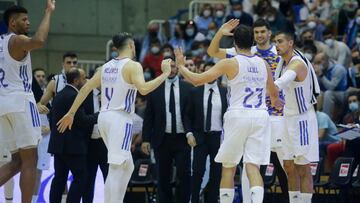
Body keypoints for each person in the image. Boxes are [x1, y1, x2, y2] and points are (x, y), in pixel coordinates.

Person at [56, 32, 172, 203]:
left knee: (128, 165)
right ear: (132, 45)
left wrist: (71, 112)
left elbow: (86, 88)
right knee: (117, 167)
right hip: (120, 118)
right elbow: (144, 89)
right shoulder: (133, 66)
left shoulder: (105, 67)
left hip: (104, 118)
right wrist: (165, 74)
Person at [174, 24, 281, 203]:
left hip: (238, 115)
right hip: (260, 115)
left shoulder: (230, 62)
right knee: (253, 166)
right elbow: (274, 93)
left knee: (229, 166)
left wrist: (181, 67)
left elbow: (197, 80)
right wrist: (276, 101)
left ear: (235, 43)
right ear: (252, 41)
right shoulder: (263, 63)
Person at [207, 18, 289, 203]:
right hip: (259, 115)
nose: (259, 35)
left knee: (285, 165)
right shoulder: (242, 53)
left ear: (269, 33)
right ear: (252, 36)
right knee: (250, 168)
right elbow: (212, 51)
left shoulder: (279, 53)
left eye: (262, 32)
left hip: (275, 116)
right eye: (256, 32)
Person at [0, 2, 55, 203]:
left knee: (16, 162)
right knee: (30, 161)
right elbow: (39, 40)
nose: (28, 22)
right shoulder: (18, 40)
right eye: (24, 19)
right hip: (21, 101)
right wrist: (49, 12)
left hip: (3, 104)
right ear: (12, 22)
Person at [273, 31, 320, 203]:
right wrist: (274, 97)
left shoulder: (297, 63)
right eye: (275, 42)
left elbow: (282, 82)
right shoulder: (282, 62)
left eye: (280, 41)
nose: (276, 45)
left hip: (302, 119)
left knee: (302, 167)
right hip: (287, 117)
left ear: (290, 43)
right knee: (288, 166)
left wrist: (269, 90)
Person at [141, 56, 192, 203]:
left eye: (174, 66)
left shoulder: (187, 88)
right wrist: (145, 139)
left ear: (178, 68)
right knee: (162, 176)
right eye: (168, 66)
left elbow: (192, 114)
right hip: (162, 139)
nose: (171, 69)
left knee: (184, 175)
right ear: (163, 69)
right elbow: (149, 116)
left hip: (183, 139)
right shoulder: (155, 88)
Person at [48, 68, 98, 203]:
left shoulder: (59, 94)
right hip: (72, 146)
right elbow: (82, 121)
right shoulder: (74, 96)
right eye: (83, 78)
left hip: (58, 145)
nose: (86, 80)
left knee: (59, 178)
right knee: (81, 177)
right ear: (76, 81)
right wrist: (100, 114)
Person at [186, 62, 227, 203]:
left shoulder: (224, 92)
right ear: (201, 72)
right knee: (197, 172)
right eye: (206, 71)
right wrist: (189, 133)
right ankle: (195, 200)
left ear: (218, 73)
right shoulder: (195, 91)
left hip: (218, 138)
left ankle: (212, 200)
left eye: (213, 71)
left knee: (216, 173)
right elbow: (187, 115)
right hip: (200, 137)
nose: (210, 74)